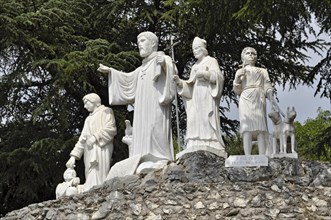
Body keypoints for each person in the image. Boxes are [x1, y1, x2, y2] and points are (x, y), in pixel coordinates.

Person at [97, 31, 176, 169]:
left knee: (155, 126)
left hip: (156, 103)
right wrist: (111, 72)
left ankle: (161, 156)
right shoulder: (142, 68)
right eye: (138, 42)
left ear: (153, 43)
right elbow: (127, 80)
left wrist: (164, 64)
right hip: (142, 106)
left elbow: (173, 73)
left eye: (143, 41)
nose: (139, 44)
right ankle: (143, 156)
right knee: (143, 127)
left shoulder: (162, 58)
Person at [173, 37, 225, 151]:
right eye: (193, 49)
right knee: (193, 117)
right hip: (196, 95)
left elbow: (219, 77)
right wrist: (180, 83)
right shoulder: (194, 66)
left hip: (206, 94)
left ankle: (211, 141)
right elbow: (190, 86)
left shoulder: (211, 61)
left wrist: (206, 75)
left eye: (197, 48)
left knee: (206, 116)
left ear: (202, 49)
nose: (195, 51)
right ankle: (194, 140)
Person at [233, 47, 279, 155]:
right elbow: (236, 90)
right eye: (248, 53)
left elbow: (267, 85)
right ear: (243, 56)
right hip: (245, 97)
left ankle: (262, 154)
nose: (250, 55)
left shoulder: (263, 71)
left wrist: (270, 94)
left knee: (260, 128)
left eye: (253, 53)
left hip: (259, 97)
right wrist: (237, 79)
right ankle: (247, 155)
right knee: (246, 128)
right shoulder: (240, 71)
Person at [66, 93, 117, 191]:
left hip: (101, 146)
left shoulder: (106, 111)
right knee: (90, 173)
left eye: (87, 103)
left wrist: (95, 137)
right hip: (89, 150)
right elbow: (82, 139)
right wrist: (73, 157)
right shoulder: (88, 119)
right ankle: (90, 191)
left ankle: (100, 190)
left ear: (94, 102)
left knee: (100, 172)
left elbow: (111, 128)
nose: (85, 106)